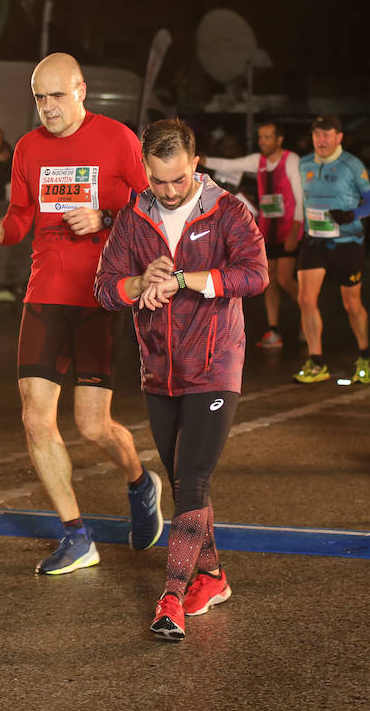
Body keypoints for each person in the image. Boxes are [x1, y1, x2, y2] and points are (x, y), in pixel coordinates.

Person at [0, 53, 163, 574]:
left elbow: (155, 207)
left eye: (57, 96)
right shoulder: (28, 148)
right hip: (44, 292)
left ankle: (140, 481)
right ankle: (76, 535)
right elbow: (20, 216)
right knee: (35, 419)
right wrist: (0, 232)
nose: (48, 108)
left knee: (92, 426)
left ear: (82, 90)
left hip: (99, 294)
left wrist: (104, 215)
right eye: (39, 98)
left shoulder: (118, 138)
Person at [94, 118, 267, 640]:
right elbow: (105, 288)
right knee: (182, 480)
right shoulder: (134, 216)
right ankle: (213, 576)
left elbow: (256, 274)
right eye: (158, 180)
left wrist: (189, 279)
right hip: (158, 368)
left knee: (191, 478)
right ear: (145, 169)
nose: (168, 191)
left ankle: (170, 596)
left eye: (178, 178)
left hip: (215, 366)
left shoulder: (227, 210)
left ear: (195, 163)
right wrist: (136, 283)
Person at [294, 115, 370, 384]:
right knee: (306, 299)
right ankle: (317, 361)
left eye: (327, 134)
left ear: (339, 137)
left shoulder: (351, 165)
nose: (321, 140)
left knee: (351, 303)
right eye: (317, 134)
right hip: (314, 240)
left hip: (347, 243)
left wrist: (351, 214)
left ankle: (365, 353)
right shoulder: (304, 163)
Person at [203, 120, 304, 348]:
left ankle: (308, 319)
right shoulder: (257, 161)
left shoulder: (291, 160)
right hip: (268, 231)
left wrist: (296, 229)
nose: (263, 142)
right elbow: (230, 164)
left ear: (279, 139)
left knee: (285, 279)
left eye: (268, 137)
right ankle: (273, 331)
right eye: (260, 137)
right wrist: (201, 160)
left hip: (289, 229)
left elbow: (300, 197)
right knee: (270, 282)